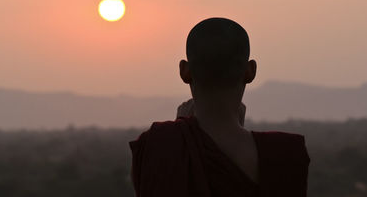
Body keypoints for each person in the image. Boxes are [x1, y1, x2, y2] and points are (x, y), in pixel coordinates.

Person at [129, 18, 310, 197]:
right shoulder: (284, 155)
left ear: (184, 71)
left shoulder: (161, 145)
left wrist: (182, 129)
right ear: (250, 70)